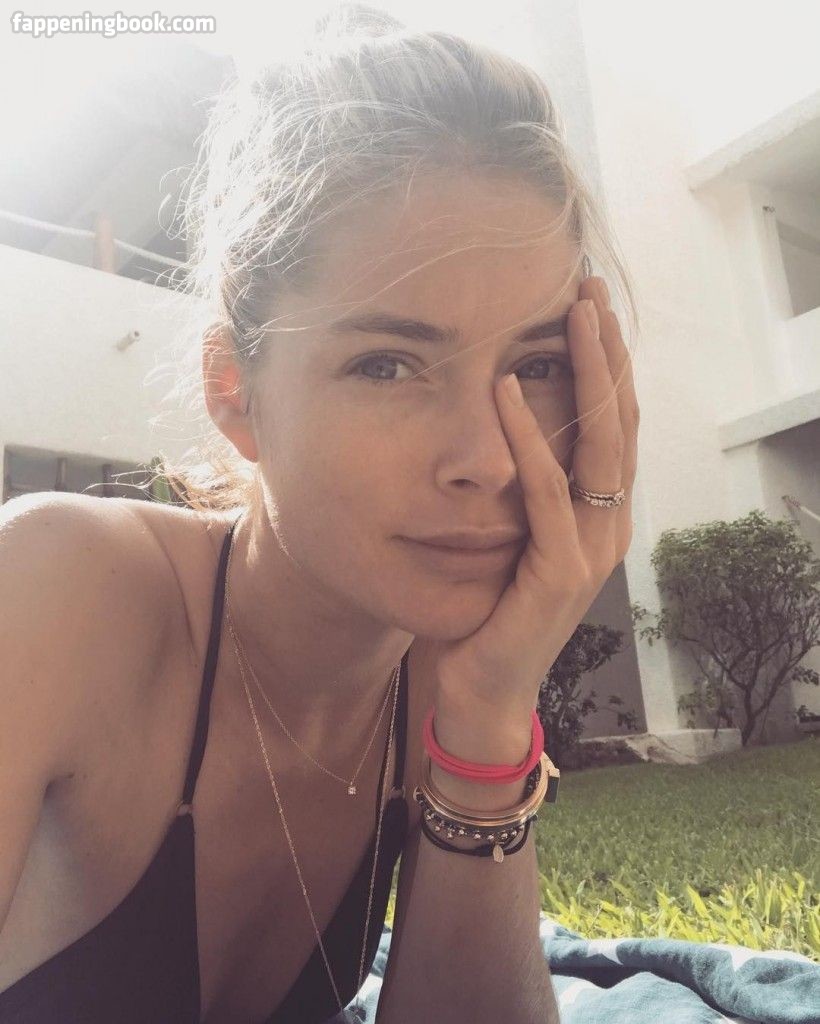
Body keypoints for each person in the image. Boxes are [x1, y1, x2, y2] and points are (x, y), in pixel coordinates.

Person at [0, 3, 639, 1021]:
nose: (487, 461)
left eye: (537, 365)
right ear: (234, 389)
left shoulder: (444, 676)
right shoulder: (58, 589)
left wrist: (487, 715)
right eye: (387, 364)